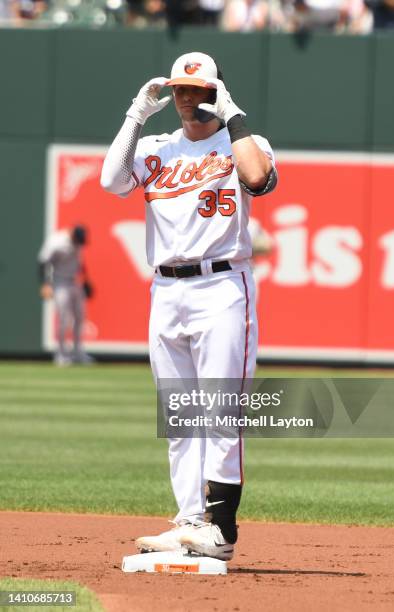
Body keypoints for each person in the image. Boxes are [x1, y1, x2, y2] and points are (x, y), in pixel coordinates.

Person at [101, 51, 277, 561]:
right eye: (179, 89)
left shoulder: (245, 141)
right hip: (165, 288)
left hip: (222, 285)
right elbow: (111, 182)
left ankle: (220, 531)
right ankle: (189, 521)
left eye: (196, 89)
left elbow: (258, 180)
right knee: (179, 414)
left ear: (216, 91)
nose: (185, 97)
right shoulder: (156, 147)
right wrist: (136, 114)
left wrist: (233, 115)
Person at [38, 225, 93, 366]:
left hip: (74, 281)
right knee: (63, 319)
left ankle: (78, 352)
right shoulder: (57, 241)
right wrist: (45, 284)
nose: (79, 243)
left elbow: (79, 262)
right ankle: (61, 354)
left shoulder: (76, 244)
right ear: (72, 234)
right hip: (60, 282)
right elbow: (43, 261)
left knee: (80, 317)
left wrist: (86, 280)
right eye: (78, 240)